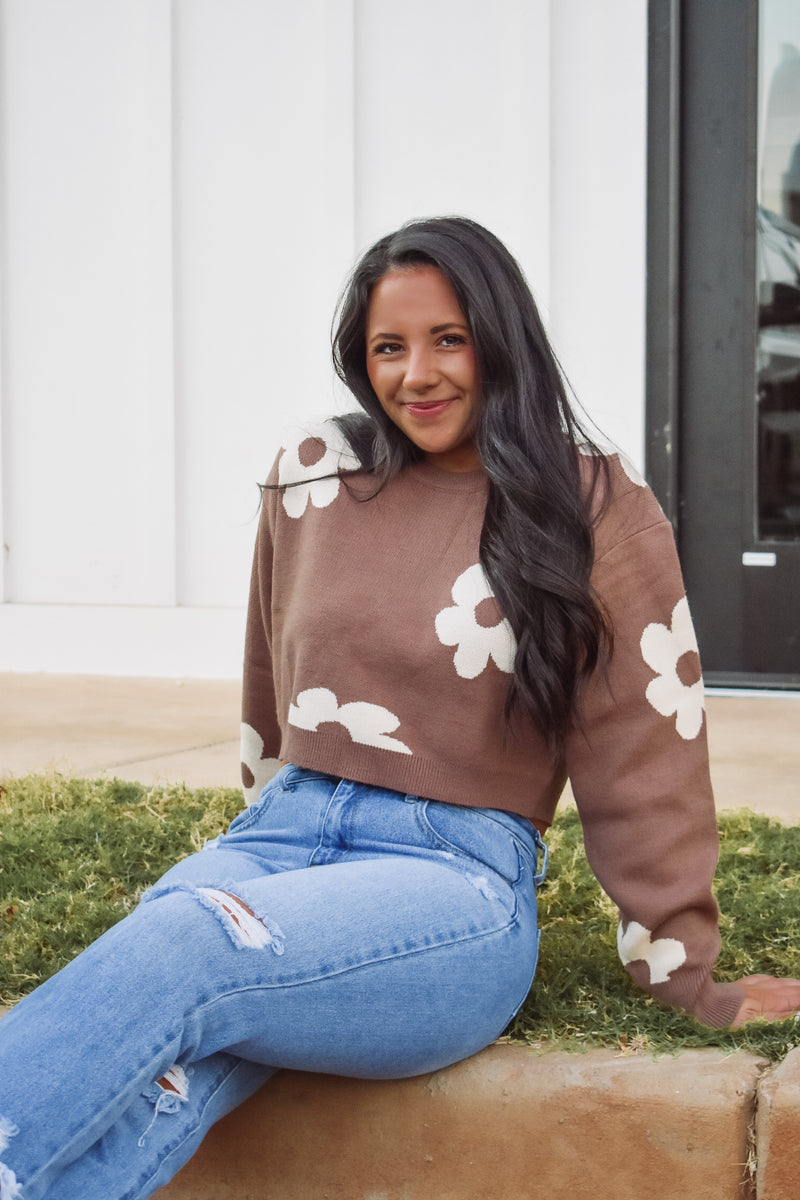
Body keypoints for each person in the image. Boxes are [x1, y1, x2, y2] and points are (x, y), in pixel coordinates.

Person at [1, 216, 799, 1200]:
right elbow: (270, 674)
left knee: (184, 941)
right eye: (388, 347)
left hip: (454, 879)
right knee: (172, 1058)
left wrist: (685, 977)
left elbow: (647, 749)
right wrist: (260, 859)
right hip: (283, 836)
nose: (415, 373)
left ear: (500, 340)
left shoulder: (589, 502)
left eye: (447, 339)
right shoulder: (315, 471)